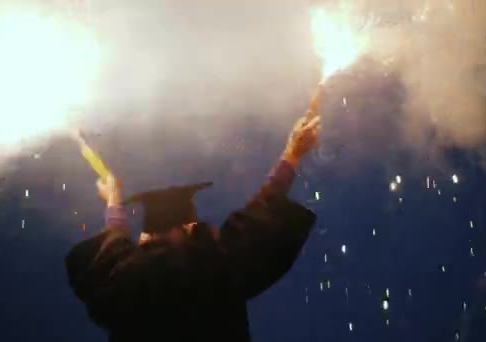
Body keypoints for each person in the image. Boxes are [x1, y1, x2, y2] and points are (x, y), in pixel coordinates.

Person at [65, 110, 321, 341]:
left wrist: (113, 201)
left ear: (145, 236)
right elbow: (260, 215)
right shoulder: (211, 269)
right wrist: (293, 153)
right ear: (186, 228)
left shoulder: (122, 284)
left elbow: (112, 250)